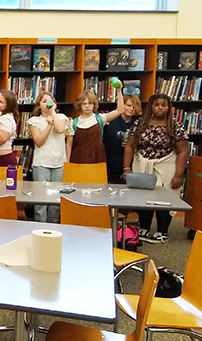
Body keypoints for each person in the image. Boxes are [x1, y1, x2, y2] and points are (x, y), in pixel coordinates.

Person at [124, 94, 189, 244]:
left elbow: (182, 151)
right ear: (151, 107)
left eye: (163, 105)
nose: (160, 108)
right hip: (142, 164)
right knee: (143, 198)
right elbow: (129, 146)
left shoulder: (175, 126)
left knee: (164, 199)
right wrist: (127, 168)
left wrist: (179, 175)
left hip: (165, 165)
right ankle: (144, 228)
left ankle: (162, 231)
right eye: (157, 105)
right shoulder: (141, 123)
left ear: (168, 107)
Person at [27, 91, 70, 223]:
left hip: (58, 164)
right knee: (41, 200)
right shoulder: (34, 121)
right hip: (41, 164)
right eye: (44, 101)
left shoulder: (61, 117)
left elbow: (60, 129)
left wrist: (52, 114)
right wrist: (48, 125)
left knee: (56, 199)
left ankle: (53, 227)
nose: (48, 104)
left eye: (50, 101)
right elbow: (39, 141)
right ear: (39, 105)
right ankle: (40, 228)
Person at [66, 86, 125, 164]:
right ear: (80, 105)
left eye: (90, 103)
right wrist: (67, 161)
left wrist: (119, 91)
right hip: (79, 158)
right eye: (84, 104)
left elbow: (120, 110)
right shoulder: (73, 123)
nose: (87, 106)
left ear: (94, 105)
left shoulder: (100, 118)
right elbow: (69, 144)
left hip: (98, 157)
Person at [104, 94, 142, 184]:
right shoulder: (111, 121)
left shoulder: (140, 123)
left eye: (134, 106)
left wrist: (132, 144)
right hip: (112, 164)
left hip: (132, 165)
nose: (131, 109)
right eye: (128, 105)